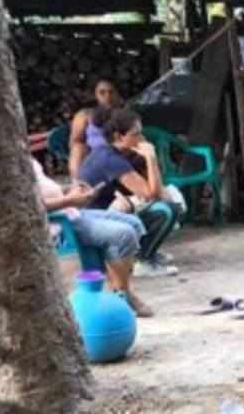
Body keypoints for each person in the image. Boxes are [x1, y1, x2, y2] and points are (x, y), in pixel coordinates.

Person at [33, 157, 153, 317]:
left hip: (70, 211)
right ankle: (122, 296)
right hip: (57, 222)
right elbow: (28, 204)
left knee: (134, 223)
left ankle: (120, 289)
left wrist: (71, 189)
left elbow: (44, 189)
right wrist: (68, 200)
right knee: (123, 234)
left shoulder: (25, 158)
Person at [79, 107, 184, 278]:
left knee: (171, 201)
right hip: (95, 222)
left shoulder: (111, 153)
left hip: (104, 214)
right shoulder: (111, 161)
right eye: (135, 135)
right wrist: (151, 158)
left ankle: (146, 253)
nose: (142, 139)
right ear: (118, 137)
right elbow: (154, 195)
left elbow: (157, 190)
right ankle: (144, 261)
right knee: (166, 210)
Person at [68, 77, 122, 180]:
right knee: (77, 148)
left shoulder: (124, 115)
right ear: (95, 95)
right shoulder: (85, 114)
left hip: (118, 154)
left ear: (117, 94)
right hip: (92, 156)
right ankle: (79, 185)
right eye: (102, 93)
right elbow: (74, 142)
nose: (107, 96)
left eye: (111, 92)